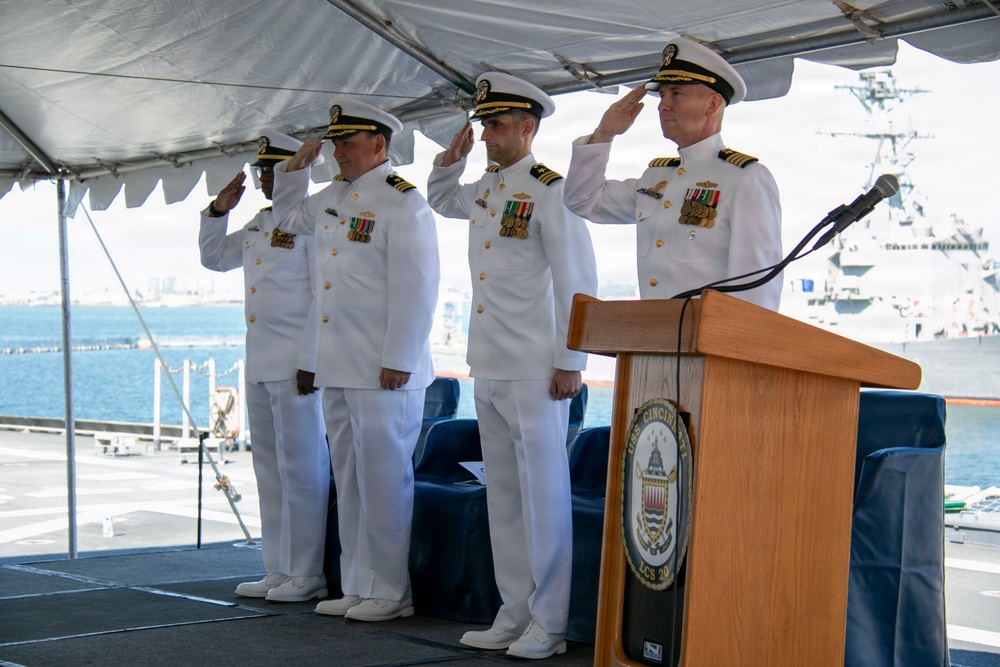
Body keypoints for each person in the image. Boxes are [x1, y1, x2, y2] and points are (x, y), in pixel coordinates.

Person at [427, 72, 598, 660]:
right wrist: (450, 163)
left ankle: (548, 624)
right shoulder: (485, 188)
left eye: (496, 125)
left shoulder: (551, 190)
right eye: (483, 124)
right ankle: (514, 610)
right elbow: (442, 200)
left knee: (542, 497)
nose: (487, 134)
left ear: (527, 128)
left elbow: (578, 282)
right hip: (490, 363)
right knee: (503, 494)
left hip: (535, 367)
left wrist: (570, 360)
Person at [271, 100, 440, 622]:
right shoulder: (330, 199)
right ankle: (356, 583)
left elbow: (418, 285)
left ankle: (391, 592)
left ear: (379, 145)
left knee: (385, 479)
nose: (338, 152)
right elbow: (286, 220)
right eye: (335, 143)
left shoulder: (402, 202)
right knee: (350, 479)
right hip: (340, 365)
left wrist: (400, 357)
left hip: (384, 368)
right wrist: (291, 172)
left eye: (348, 142)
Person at [199, 131, 330, 603]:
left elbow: (323, 296)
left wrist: (311, 361)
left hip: (297, 365)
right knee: (269, 471)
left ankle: (307, 571)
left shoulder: (313, 221)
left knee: (303, 469)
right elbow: (214, 258)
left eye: (274, 169)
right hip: (260, 363)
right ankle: (277, 568)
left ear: (299, 170)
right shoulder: (257, 224)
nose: (266, 179)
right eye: (262, 171)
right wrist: (219, 211)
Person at [564, 37, 783, 310]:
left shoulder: (745, 179)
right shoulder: (656, 178)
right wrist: (604, 134)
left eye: (676, 93)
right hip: (651, 343)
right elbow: (582, 200)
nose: (662, 105)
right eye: (663, 95)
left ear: (712, 104)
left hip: (704, 348)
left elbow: (757, 289)